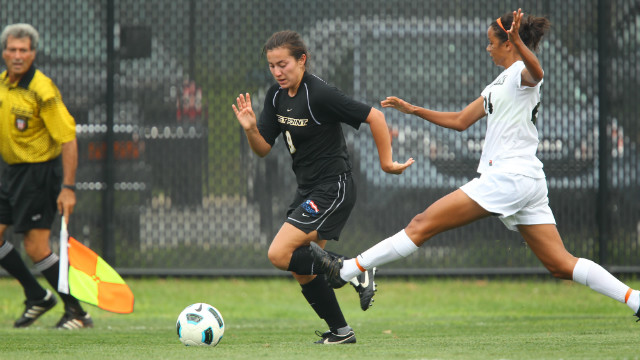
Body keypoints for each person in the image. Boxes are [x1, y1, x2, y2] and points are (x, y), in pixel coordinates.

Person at [311, 9, 640, 322]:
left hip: (509, 177)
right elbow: (459, 121)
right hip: (525, 180)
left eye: (492, 42)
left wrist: (522, 45)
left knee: (422, 223)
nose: (488, 48)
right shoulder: (499, 83)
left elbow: (537, 72)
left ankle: (350, 269)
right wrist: (415, 111)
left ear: (509, 43)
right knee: (560, 264)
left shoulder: (523, 77)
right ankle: (636, 300)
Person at [232, 30, 414, 344]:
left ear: (302, 60)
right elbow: (262, 148)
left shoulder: (319, 94)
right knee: (304, 268)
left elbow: (376, 117)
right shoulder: (275, 97)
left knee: (278, 253)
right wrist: (250, 130)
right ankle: (341, 332)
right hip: (309, 190)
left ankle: (351, 268)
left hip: (334, 187)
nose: (277, 72)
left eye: (284, 64)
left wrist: (386, 164)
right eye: (272, 65)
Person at [0, 23, 93, 329]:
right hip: (12, 172)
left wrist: (68, 188)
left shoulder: (43, 89)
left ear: (33, 53)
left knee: (36, 247)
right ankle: (37, 295)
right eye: (12, 49)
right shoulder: (3, 85)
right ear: (3, 52)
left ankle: (77, 312)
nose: (17, 55)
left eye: (23, 50)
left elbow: (68, 138)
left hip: (40, 174)